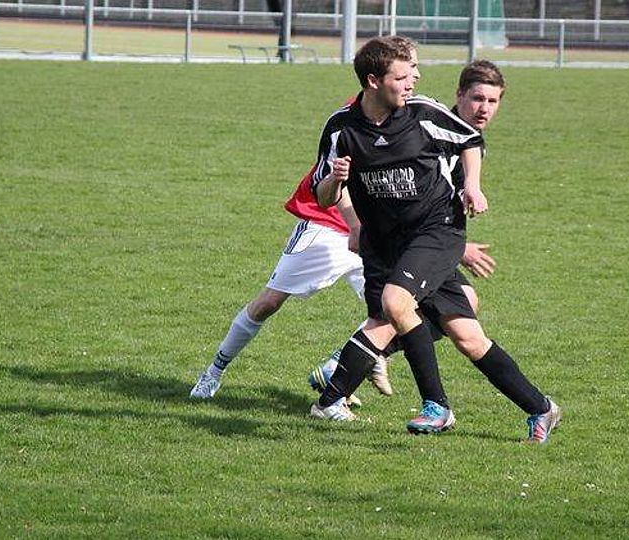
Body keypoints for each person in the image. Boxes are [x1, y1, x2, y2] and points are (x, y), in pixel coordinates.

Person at [309, 37, 562, 443]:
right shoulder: (341, 128)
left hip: (436, 230)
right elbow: (323, 194)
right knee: (465, 335)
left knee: (395, 305)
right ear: (374, 81)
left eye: (413, 75)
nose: (413, 81)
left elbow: (470, 141)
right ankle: (541, 408)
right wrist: (336, 184)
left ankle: (435, 406)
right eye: (404, 76)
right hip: (386, 244)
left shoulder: (423, 113)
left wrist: (473, 188)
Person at [188, 108, 496, 403]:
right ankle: (214, 371)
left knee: (436, 304)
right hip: (329, 226)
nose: (412, 76)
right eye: (405, 70)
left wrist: (451, 246)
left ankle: (341, 377)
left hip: (381, 237)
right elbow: (339, 178)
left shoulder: (429, 124)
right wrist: (354, 225)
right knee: (269, 302)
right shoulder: (358, 118)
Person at [306, 59, 506, 397]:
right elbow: (357, 182)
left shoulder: (467, 142)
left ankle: (360, 363)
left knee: (463, 304)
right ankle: (342, 376)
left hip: (425, 239)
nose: (483, 108)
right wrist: (355, 224)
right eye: (477, 98)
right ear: (458, 95)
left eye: (492, 101)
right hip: (393, 240)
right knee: (394, 311)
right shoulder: (427, 126)